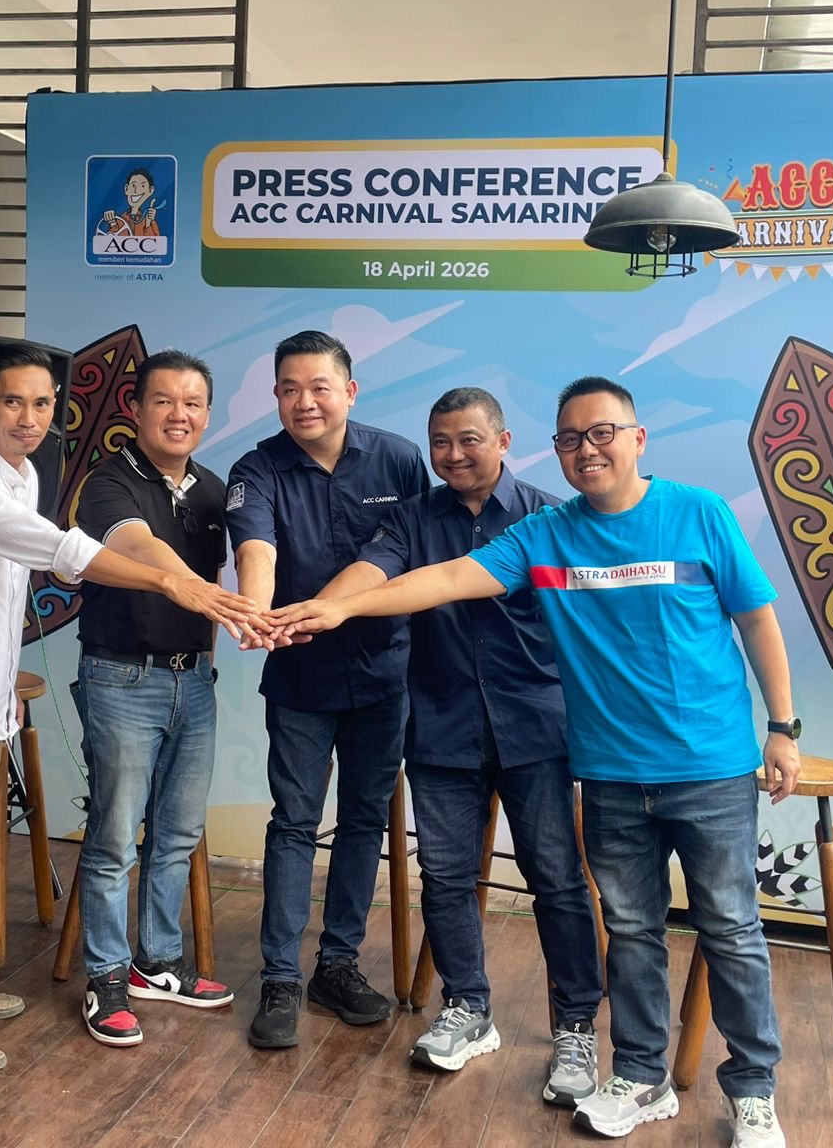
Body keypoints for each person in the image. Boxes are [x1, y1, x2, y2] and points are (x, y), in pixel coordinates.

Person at [266, 376, 799, 1148]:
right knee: (630, 928)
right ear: (555, 447)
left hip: (691, 764)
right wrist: (337, 605)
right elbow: (442, 579)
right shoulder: (547, 536)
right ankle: (632, 1073)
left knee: (727, 928)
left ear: (636, 438)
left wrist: (782, 727)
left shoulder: (692, 513)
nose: (588, 450)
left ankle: (745, 1090)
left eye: (602, 433)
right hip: (602, 767)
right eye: (572, 439)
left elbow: (757, 618)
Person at [0, 342, 254, 1075]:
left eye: (42, 403)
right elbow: (61, 549)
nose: (29, 417)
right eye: (13, 402)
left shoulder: (22, 475)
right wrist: (174, 584)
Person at [309, 386, 604, 1103]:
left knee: (557, 880)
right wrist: (325, 607)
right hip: (441, 727)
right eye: (439, 442)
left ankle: (576, 1026)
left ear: (502, 442)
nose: (452, 455)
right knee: (444, 877)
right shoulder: (413, 518)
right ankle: (468, 1008)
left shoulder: (548, 519)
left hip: (536, 727)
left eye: (469, 440)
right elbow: (374, 571)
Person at [224, 329, 429, 1049]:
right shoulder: (256, 468)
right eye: (289, 389)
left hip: (385, 672)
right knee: (294, 821)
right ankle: (280, 976)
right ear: (276, 397)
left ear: (350, 391)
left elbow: (409, 553)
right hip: (300, 676)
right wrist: (257, 613)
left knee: (365, 820)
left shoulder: (399, 459)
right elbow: (256, 547)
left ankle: (337, 965)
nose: (304, 402)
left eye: (319, 387)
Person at [72, 350, 241, 1047]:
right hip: (122, 680)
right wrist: (191, 588)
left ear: (207, 414)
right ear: (135, 409)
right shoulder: (107, 482)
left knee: (177, 835)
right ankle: (106, 977)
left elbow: (245, 563)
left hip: (194, 681)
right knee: (115, 837)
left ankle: (158, 963)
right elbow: (137, 546)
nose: (179, 415)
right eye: (164, 401)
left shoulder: (214, 491)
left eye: (193, 403)